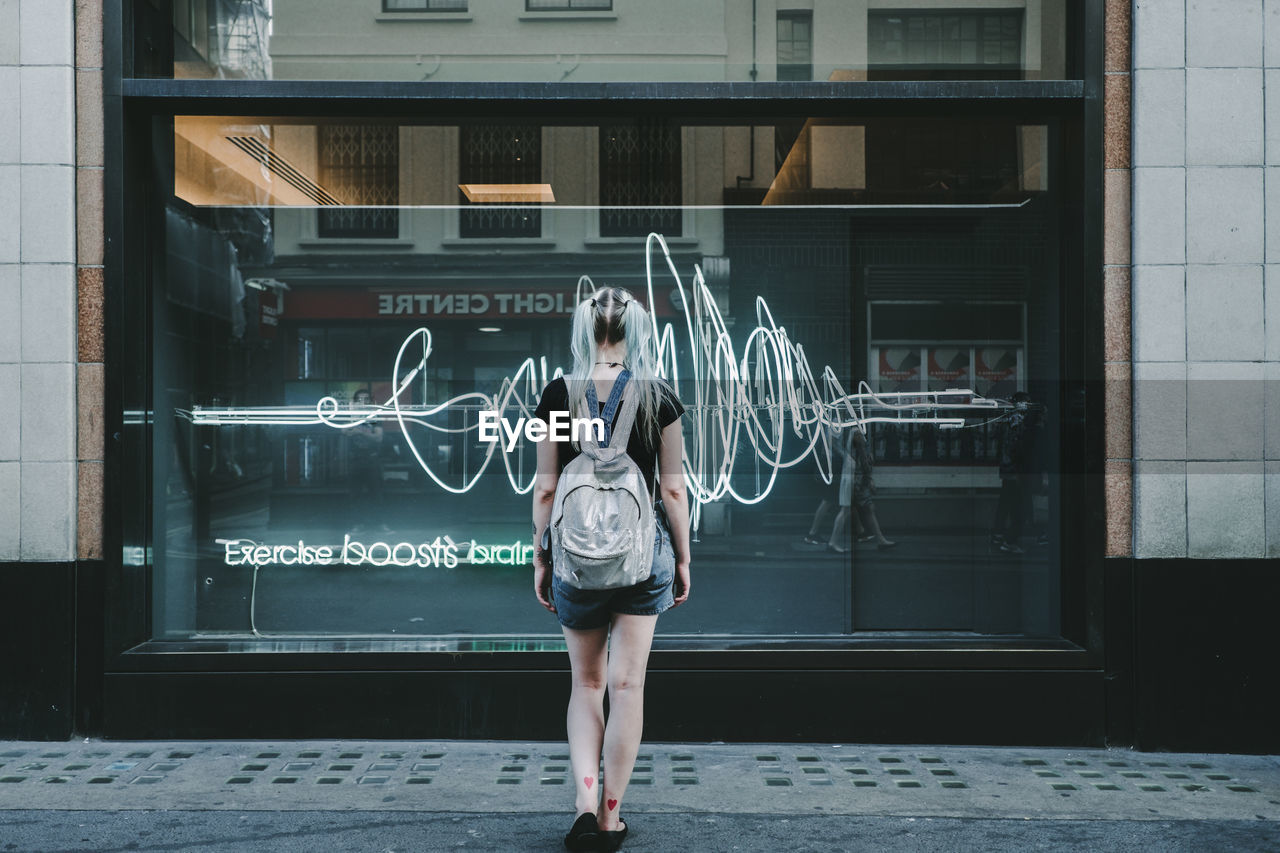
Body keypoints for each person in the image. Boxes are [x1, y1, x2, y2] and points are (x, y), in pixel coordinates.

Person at [531, 286, 691, 852]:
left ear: (585, 332)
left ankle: (582, 802)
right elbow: (672, 488)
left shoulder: (556, 394)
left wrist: (541, 553)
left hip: (574, 559)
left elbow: (547, 486)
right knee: (627, 686)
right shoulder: (660, 398)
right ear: (635, 332)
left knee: (586, 684)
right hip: (643, 557)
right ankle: (610, 818)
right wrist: (684, 558)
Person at [347, 387, 387, 532]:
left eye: (366, 400)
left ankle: (380, 524)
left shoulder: (374, 416)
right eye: (360, 400)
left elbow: (379, 437)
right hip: (355, 459)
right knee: (355, 494)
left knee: (376, 493)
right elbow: (344, 431)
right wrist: (363, 432)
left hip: (372, 459)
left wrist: (359, 432)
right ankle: (357, 525)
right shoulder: (350, 416)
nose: (363, 403)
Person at [851, 427, 894, 549]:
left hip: (856, 481)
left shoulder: (855, 444)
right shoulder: (860, 444)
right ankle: (879, 539)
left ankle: (862, 532)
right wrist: (869, 480)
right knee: (867, 508)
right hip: (859, 482)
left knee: (851, 508)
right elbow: (865, 465)